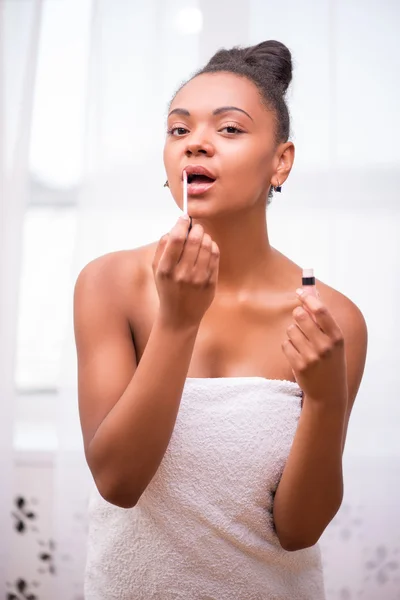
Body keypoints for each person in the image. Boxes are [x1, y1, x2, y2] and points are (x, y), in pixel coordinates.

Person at [74, 40, 367, 600]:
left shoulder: (333, 319)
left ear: (281, 161)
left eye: (229, 129)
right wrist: (179, 323)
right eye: (178, 130)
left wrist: (327, 400)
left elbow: (298, 530)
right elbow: (118, 482)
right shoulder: (109, 284)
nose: (196, 145)